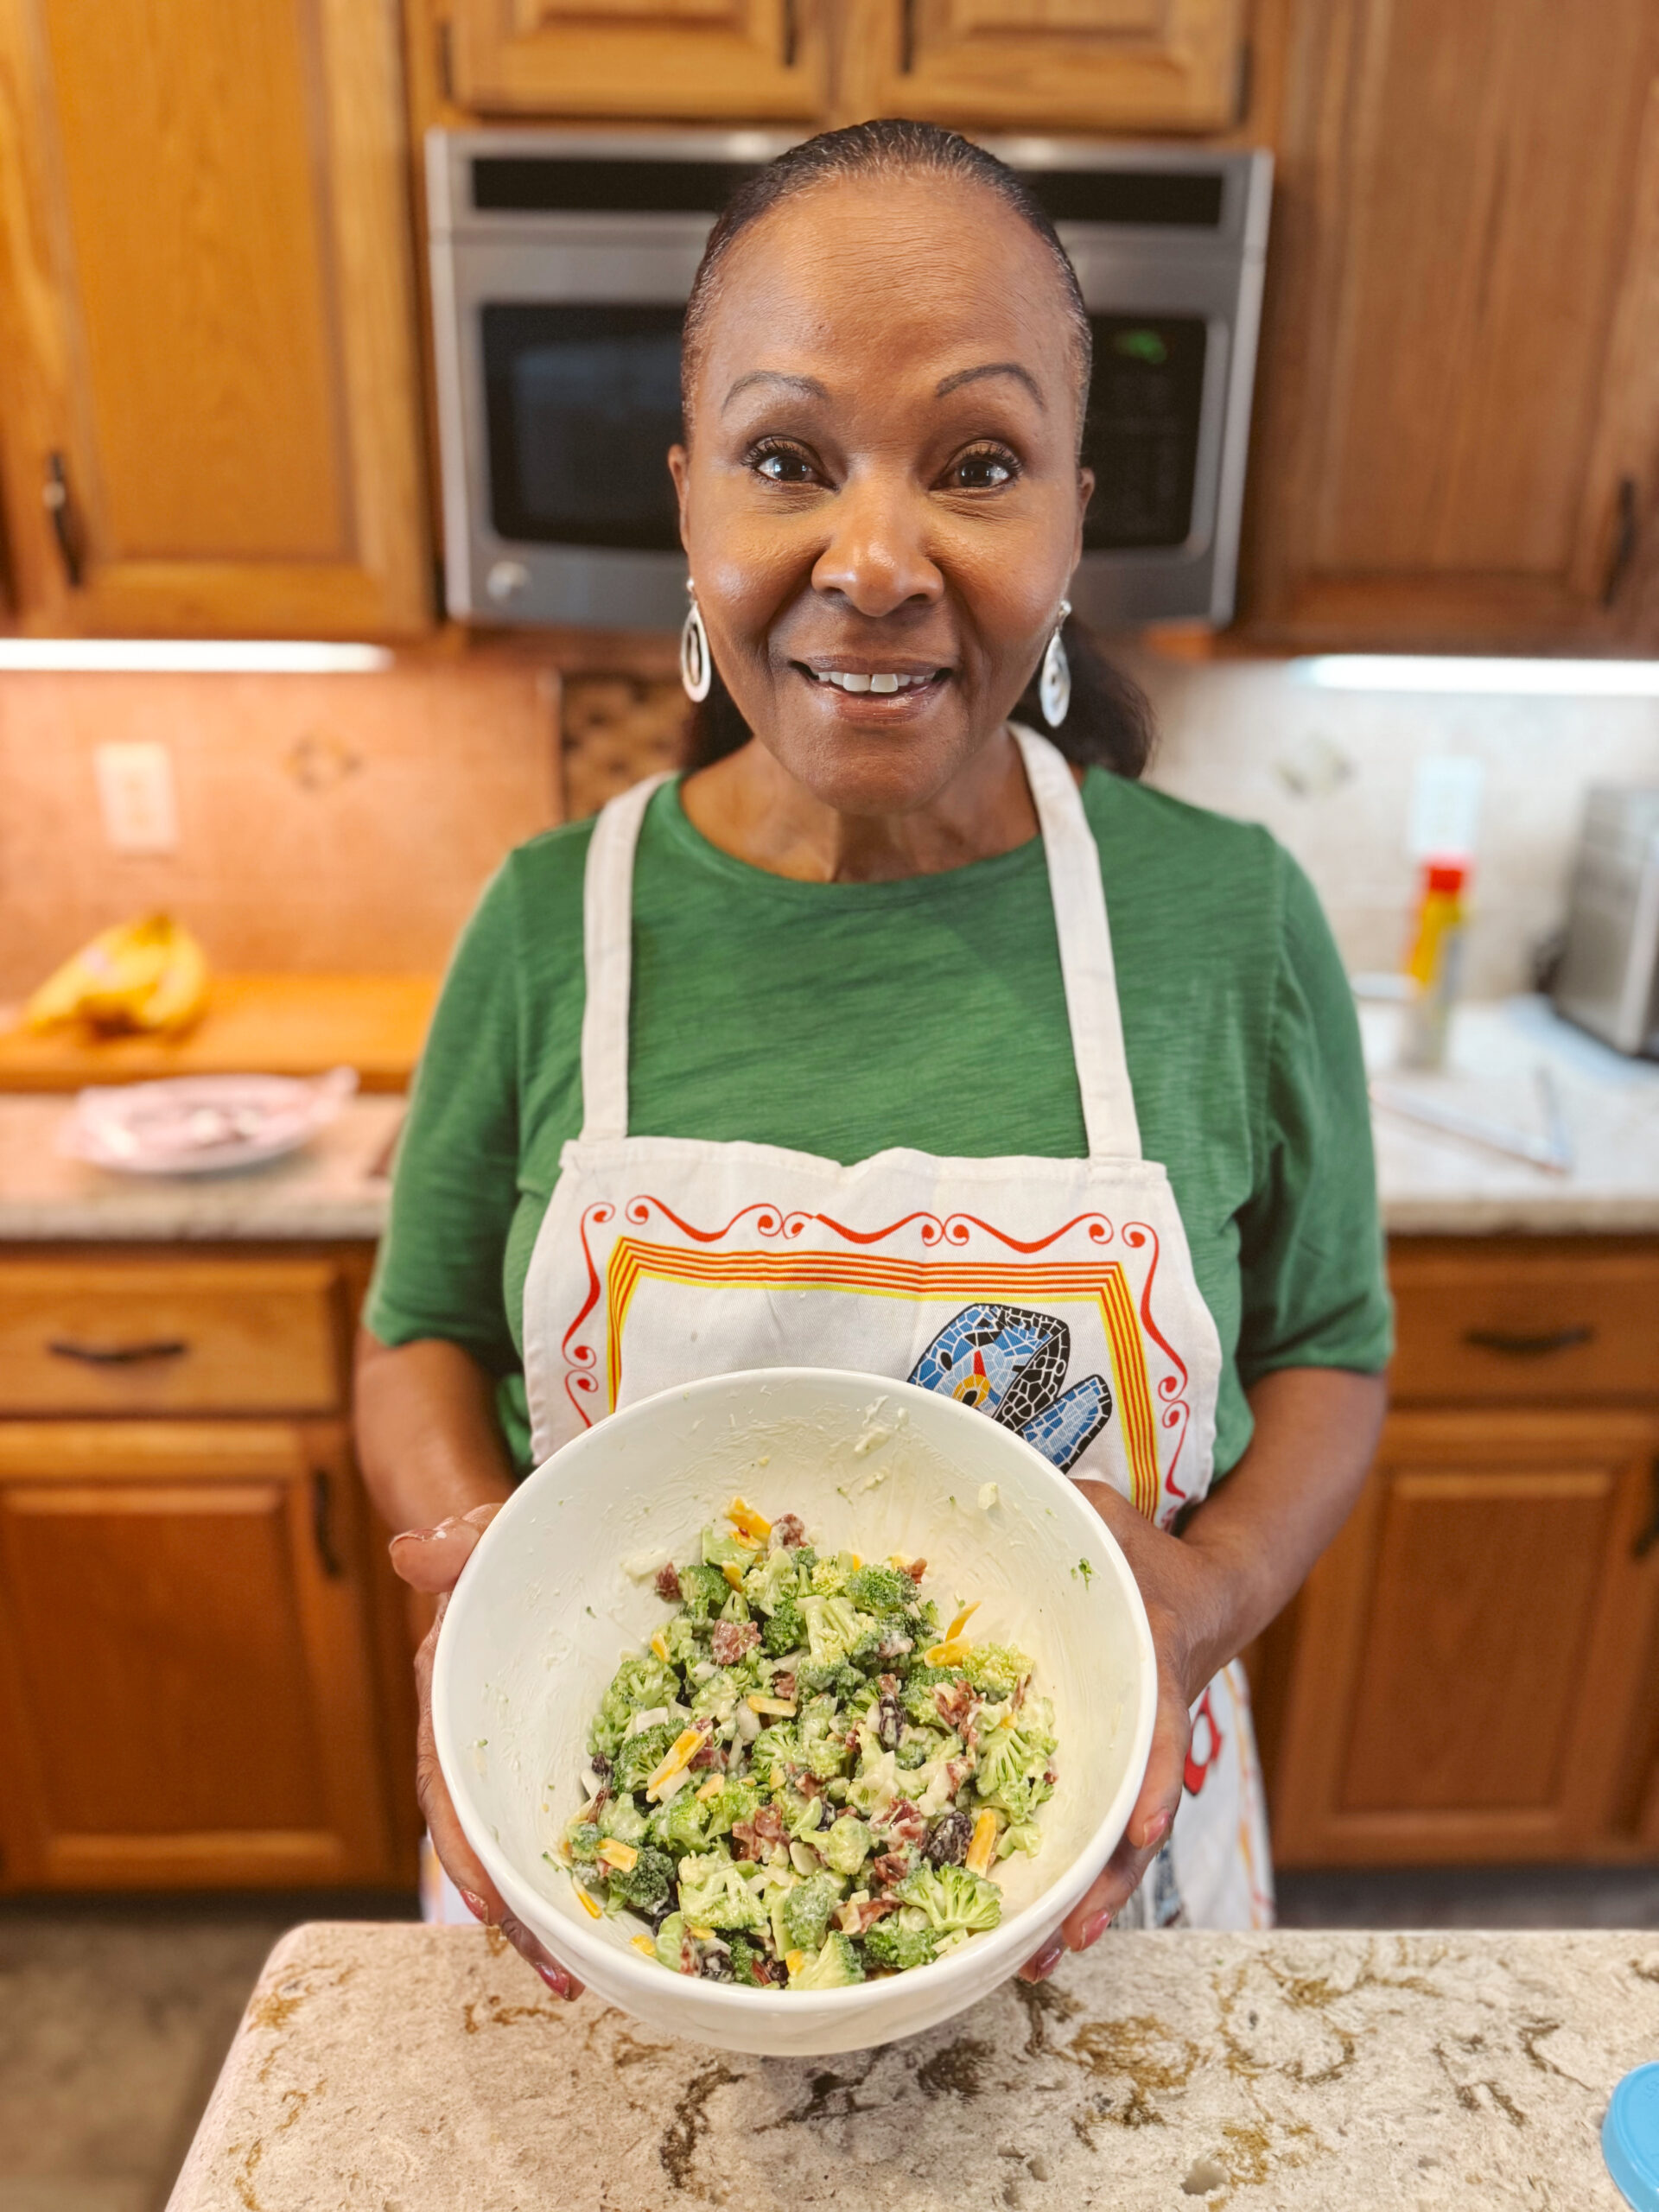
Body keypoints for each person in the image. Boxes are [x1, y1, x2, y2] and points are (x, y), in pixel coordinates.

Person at [354, 119, 1390, 1999]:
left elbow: (1337, 1345)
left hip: (1110, 1892)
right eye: (785, 459)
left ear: (1077, 510)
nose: (878, 559)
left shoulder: (1231, 921)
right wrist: (484, 1601)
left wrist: (1212, 1594)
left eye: (980, 464)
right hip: (618, 1882)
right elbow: (412, 1327)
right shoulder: (541, 923)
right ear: (692, 503)